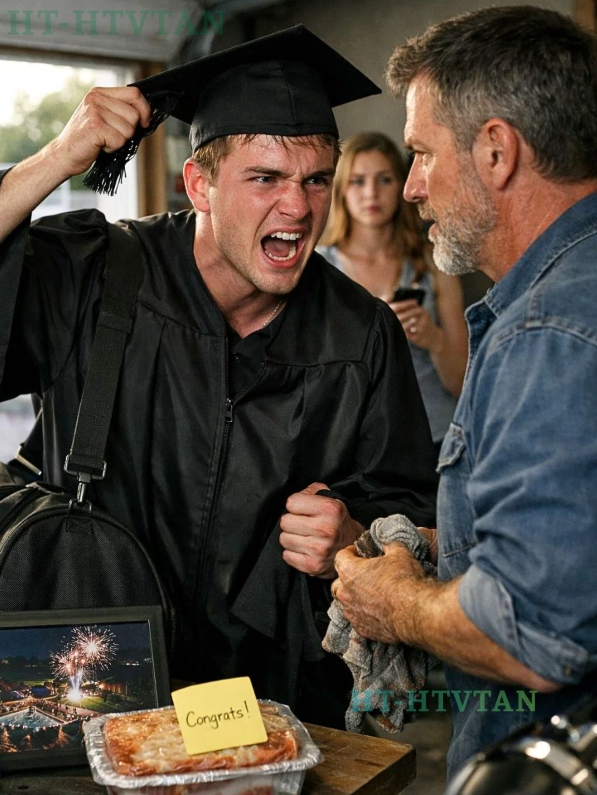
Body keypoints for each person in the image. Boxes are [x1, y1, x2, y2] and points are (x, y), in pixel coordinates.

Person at [0, 26, 438, 728]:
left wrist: (352, 537)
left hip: (269, 704)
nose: (296, 208)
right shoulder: (99, 273)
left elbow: (416, 520)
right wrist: (54, 158)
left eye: (314, 179)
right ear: (198, 184)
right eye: (264, 178)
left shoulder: (359, 334)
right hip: (86, 681)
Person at [332, 4, 597, 777]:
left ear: (495, 151)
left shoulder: (545, 333)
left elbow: (528, 631)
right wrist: (427, 549)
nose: (413, 187)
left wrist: (398, 604)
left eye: (419, 153)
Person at [318, 132, 467, 449]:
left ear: (403, 185)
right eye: (357, 181)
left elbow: (464, 384)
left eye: (384, 180)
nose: (371, 193)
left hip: (436, 436)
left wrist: (432, 338)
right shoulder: (319, 269)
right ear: (341, 189)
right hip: (355, 442)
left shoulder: (434, 261)